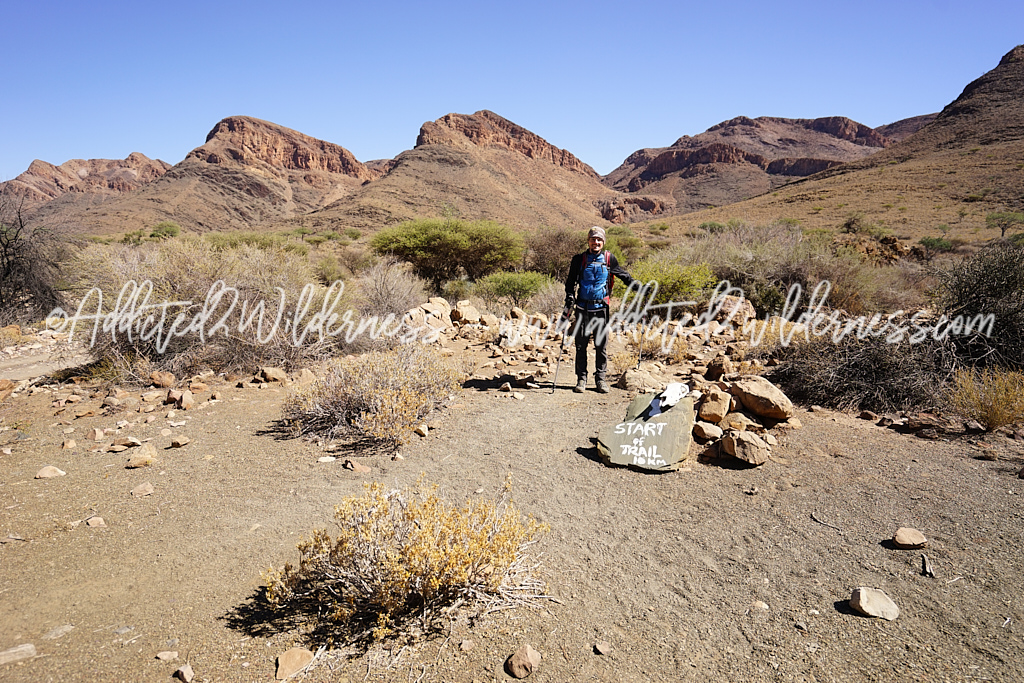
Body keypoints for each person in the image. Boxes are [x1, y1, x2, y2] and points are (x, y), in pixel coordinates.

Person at [563, 226, 634, 393]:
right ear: (588, 241)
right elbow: (570, 282)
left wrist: (638, 287)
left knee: (601, 346)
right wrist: (569, 296)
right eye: (593, 239)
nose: (596, 242)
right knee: (581, 346)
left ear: (603, 242)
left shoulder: (609, 259)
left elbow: (623, 275)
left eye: (599, 239)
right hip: (582, 308)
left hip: (601, 309)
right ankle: (581, 379)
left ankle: (600, 380)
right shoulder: (579, 259)